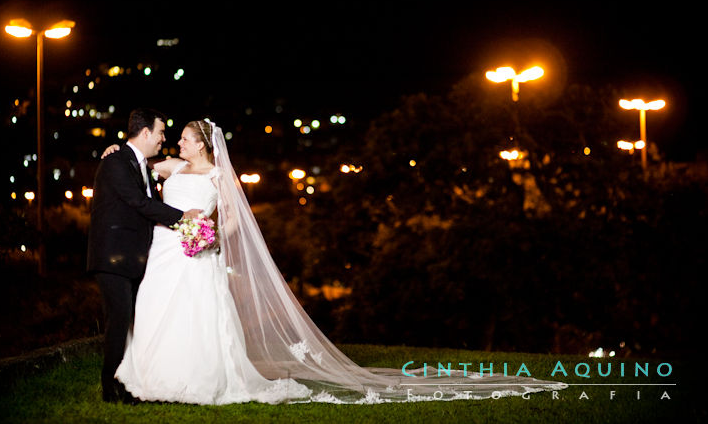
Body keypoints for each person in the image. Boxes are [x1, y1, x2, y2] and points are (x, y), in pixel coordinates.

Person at [102, 118, 567, 405]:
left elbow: (236, 223)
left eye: (182, 139)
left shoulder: (219, 174)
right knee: (157, 313)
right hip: (165, 255)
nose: (175, 144)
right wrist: (112, 151)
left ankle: (195, 382)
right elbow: (134, 163)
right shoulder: (171, 168)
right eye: (174, 138)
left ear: (201, 145)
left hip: (196, 254)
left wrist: (209, 239)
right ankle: (148, 378)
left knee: (197, 318)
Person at [87, 108, 202, 403]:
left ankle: (131, 384)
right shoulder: (116, 161)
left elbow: (147, 199)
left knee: (133, 323)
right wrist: (183, 217)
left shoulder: (141, 165)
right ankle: (111, 389)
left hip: (134, 257)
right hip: (113, 257)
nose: (164, 139)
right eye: (161, 132)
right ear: (146, 132)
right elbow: (138, 202)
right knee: (119, 321)